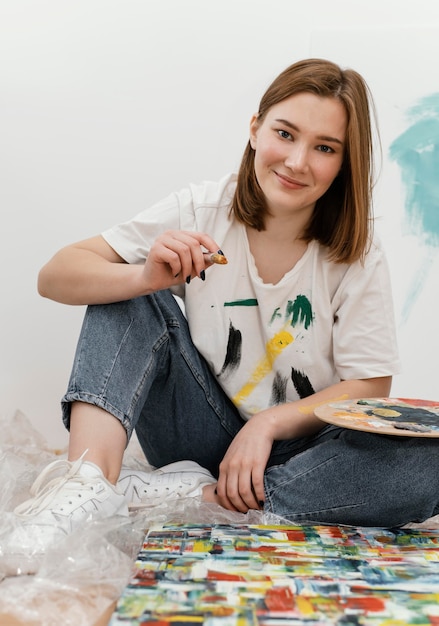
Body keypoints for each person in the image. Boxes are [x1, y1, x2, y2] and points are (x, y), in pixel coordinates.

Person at [8, 58, 439, 566]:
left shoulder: (356, 251)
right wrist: (146, 275)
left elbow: (369, 386)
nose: (298, 161)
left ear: (345, 163)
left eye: (324, 148)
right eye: (285, 133)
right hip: (196, 430)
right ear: (255, 130)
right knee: (127, 291)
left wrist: (269, 424)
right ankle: (86, 486)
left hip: (305, 454)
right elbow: (55, 275)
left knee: (430, 462)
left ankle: (197, 501)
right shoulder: (204, 210)